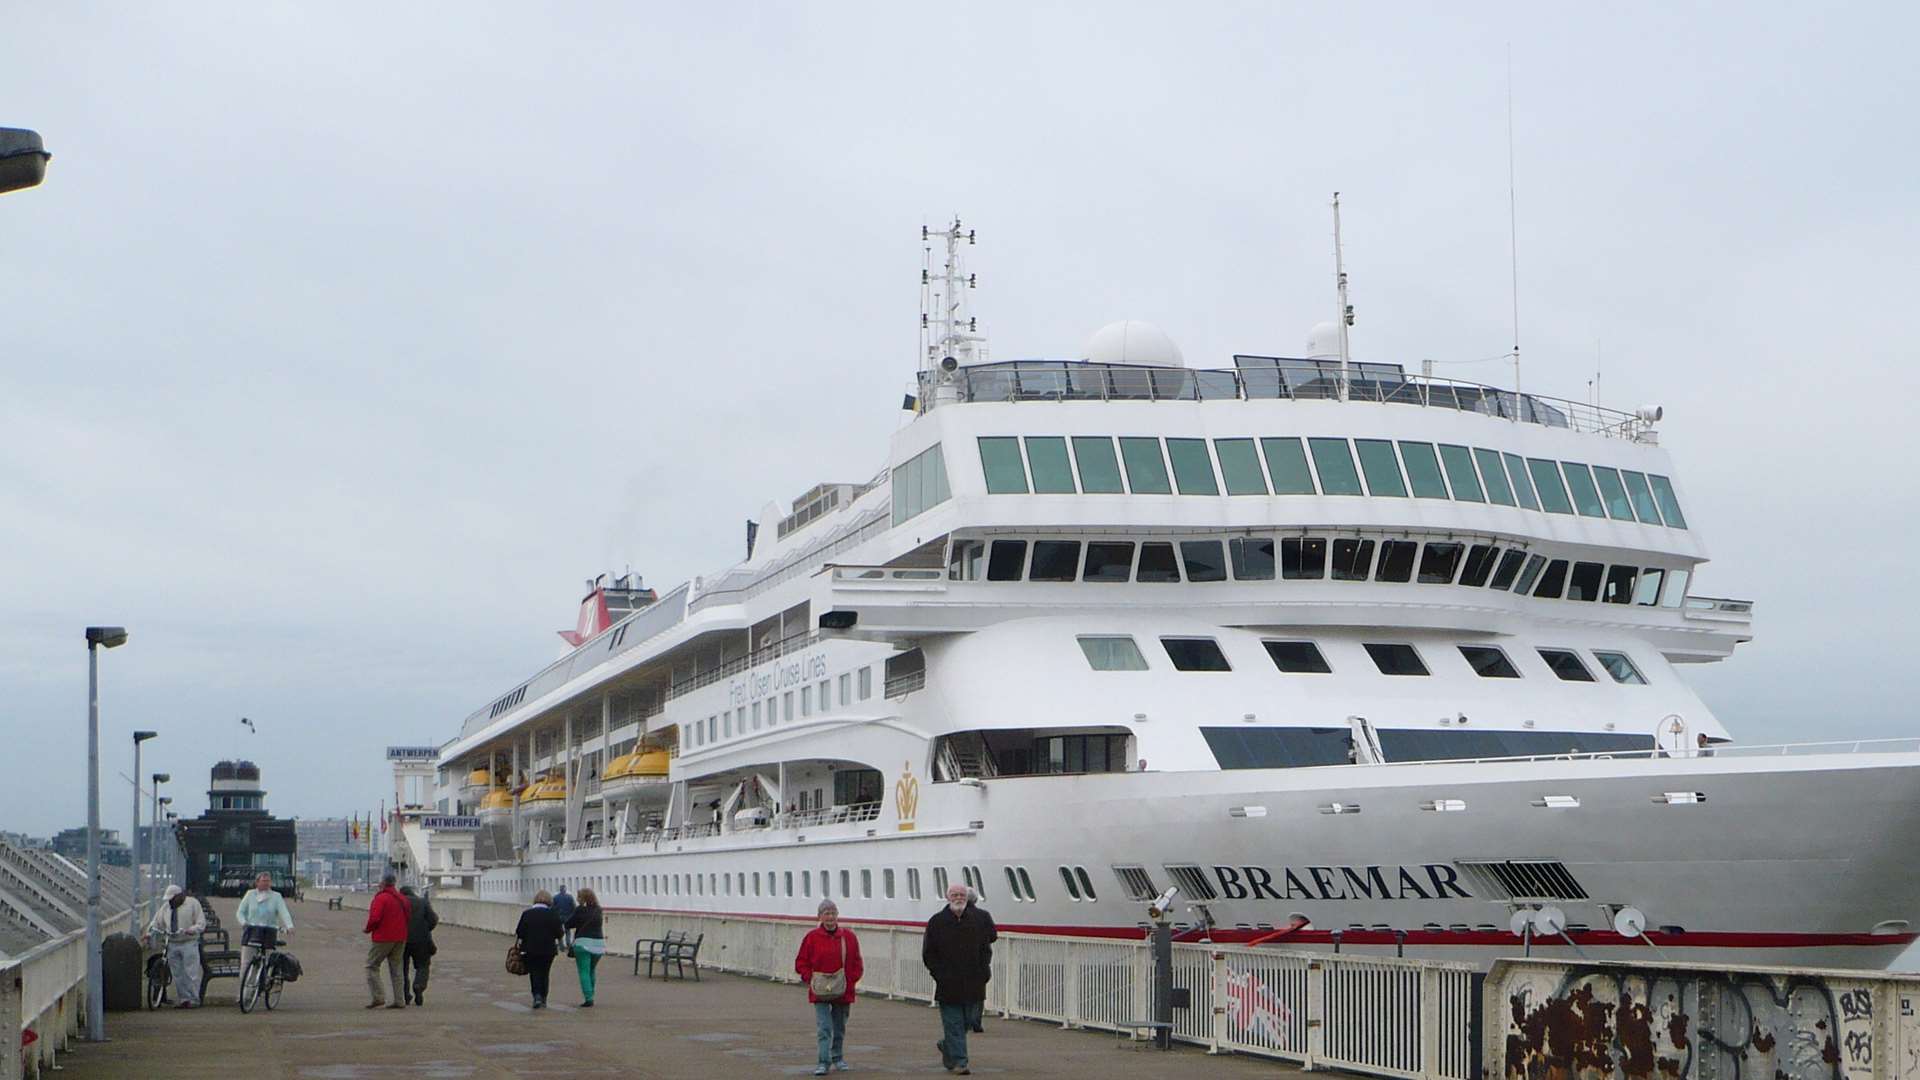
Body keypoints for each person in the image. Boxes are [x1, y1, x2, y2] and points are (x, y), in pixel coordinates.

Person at [924, 883, 995, 1075]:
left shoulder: (978, 920)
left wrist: (983, 972)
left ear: (967, 898)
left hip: (974, 981)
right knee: (953, 1023)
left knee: (969, 1020)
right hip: (948, 983)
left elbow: (986, 948)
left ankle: (947, 1045)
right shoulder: (937, 922)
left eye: (962, 895)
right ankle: (960, 1062)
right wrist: (939, 974)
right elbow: (929, 953)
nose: (958, 898)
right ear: (948, 898)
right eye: (954, 894)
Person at [794, 898, 863, 1076]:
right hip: (820, 990)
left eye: (833, 913)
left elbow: (857, 961)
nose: (830, 917)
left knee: (839, 1027)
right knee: (824, 1027)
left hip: (843, 989)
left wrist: (851, 980)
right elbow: (801, 962)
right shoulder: (811, 938)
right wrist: (810, 979)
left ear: (837, 915)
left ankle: (837, 1057)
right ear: (820, 917)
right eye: (826, 913)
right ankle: (823, 1061)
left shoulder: (848, 937)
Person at [145, 885, 206, 1008]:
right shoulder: (166, 907)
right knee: (177, 972)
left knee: (190, 972)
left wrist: (192, 929)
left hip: (189, 941)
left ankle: (194, 999)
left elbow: (201, 923)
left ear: (180, 896)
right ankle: (184, 999)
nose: (171, 901)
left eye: (172, 899)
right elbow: (157, 921)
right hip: (172, 942)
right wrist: (149, 933)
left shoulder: (193, 904)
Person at [235, 872, 293, 995]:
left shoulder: (276, 896)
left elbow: (284, 912)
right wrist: (244, 923)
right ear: (257, 882)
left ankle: (268, 981)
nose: (266, 883)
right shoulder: (250, 895)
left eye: (268, 881)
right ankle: (243, 993)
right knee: (246, 963)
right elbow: (240, 912)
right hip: (252, 930)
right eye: (263, 881)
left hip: (269, 931)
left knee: (268, 960)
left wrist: (289, 926)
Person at [362, 873, 412, 1009]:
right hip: (400, 937)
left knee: (372, 965)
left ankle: (378, 997)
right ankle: (400, 999)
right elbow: (408, 917)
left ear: (383, 883)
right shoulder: (403, 899)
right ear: (394, 883)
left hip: (383, 937)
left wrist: (368, 929)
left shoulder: (381, 899)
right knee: (397, 969)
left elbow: (375, 918)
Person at [513, 889, 565, 1008]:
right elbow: (559, 933)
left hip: (530, 949)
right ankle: (544, 998)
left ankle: (536, 996)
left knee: (534, 972)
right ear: (549, 901)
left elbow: (520, 932)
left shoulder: (527, 914)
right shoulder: (553, 914)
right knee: (545, 973)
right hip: (548, 950)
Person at [564, 886, 605, 1007]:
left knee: (584, 971)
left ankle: (589, 998)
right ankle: (591, 993)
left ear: (582, 898)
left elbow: (568, 924)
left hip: (583, 943)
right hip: (599, 944)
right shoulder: (599, 910)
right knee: (591, 970)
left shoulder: (580, 910)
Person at [963, 887, 996, 1033]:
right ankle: (976, 1020)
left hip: (961, 959)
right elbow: (993, 936)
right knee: (979, 991)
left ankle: (966, 1019)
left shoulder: (957, 915)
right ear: (975, 900)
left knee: (963, 990)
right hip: (981, 959)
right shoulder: (984, 915)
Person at [399, 885, 438, 1006]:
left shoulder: (398, 903)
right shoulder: (423, 902)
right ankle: (419, 985)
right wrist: (426, 929)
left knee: (402, 969)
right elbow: (433, 919)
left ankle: (405, 995)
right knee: (423, 965)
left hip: (401, 940)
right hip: (422, 940)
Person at [550, 884, 576, 948]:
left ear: (560, 890)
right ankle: (568, 943)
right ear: (565, 889)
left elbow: (552, 907)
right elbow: (573, 907)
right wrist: (572, 914)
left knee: (559, 931)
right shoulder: (570, 897)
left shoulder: (555, 897)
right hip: (568, 916)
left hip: (559, 916)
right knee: (568, 931)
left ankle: (561, 945)